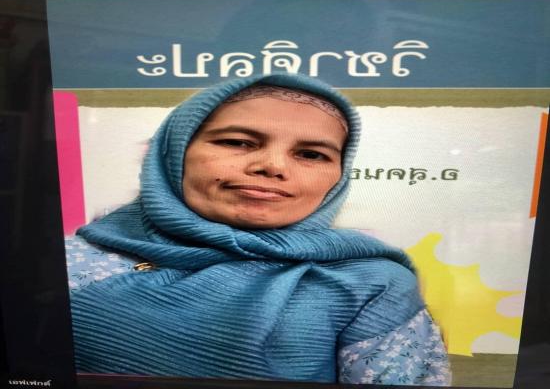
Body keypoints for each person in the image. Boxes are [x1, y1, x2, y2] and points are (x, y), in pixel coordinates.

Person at [65, 73, 451, 385]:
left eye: (311, 154)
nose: (273, 166)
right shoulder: (68, 260)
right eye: (238, 142)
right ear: (175, 152)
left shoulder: (372, 285)